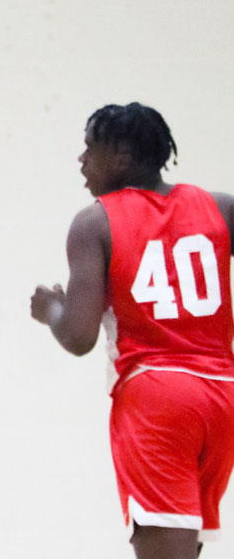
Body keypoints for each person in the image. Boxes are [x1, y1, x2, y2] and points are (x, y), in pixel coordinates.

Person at [31, 103, 234, 559]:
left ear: (121, 157)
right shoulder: (220, 207)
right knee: (187, 545)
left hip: (156, 393)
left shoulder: (95, 221)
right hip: (222, 394)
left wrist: (53, 310)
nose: (81, 160)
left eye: (90, 149)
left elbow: (79, 338)